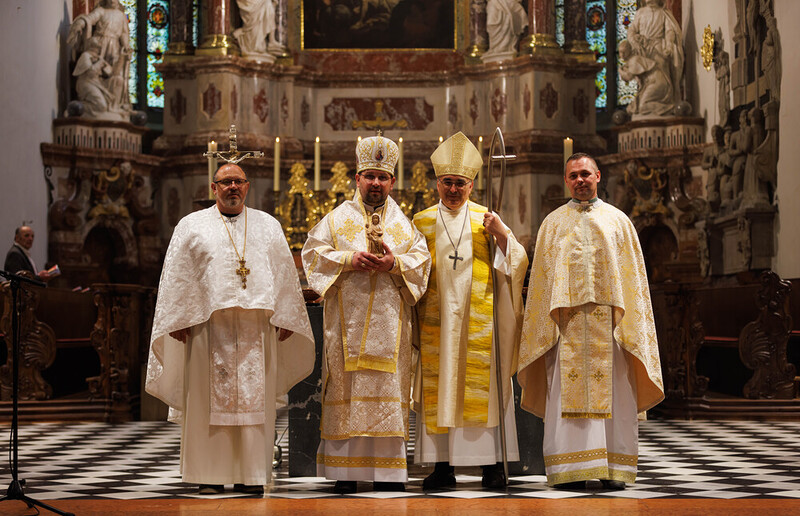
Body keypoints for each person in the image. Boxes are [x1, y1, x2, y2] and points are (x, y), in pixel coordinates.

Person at [145, 163, 315, 495]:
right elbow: (177, 275)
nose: (232, 187)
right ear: (214, 188)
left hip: (257, 328)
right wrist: (177, 318)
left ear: (248, 187)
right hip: (207, 327)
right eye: (226, 182)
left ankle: (250, 476)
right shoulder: (191, 226)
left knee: (255, 403)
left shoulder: (267, 225)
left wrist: (287, 315)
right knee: (207, 403)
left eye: (238, 181)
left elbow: (283, 273)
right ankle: (209, 476)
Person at [517, 153, 664, 490]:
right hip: (565, 327)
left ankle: (612, 468)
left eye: (585, 173)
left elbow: (634, 283)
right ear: (566, 180)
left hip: (610, 327)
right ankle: (572, 469)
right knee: (563, 391)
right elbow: (541, 283)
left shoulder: (618, 222)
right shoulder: (552, 223)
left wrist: (631, 328)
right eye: (573, 175)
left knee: (615, 390)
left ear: (598, 176)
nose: (580, 180)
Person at [302, 134, 431, 494]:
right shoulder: (337, 219)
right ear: (357, 179)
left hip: (391, 329)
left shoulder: (405, 226)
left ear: (392, 181)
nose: (376, 183)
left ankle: (386, 474)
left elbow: (422, 263)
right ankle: (345, 472)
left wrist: (394, 264)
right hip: (346, 326)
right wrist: (347, 258)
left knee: (388, 392)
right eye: (369, 176)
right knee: (345, 391)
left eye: (382, 177)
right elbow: (311, 254)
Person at [411, 132, 528, 489]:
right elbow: (413, 269)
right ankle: (441, 466)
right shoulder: (421, 221)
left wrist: (503, 235)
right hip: (437, 321)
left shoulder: (486, 219)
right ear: (437, 184)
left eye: (460, 183)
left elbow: (517, 261)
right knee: (441, 387)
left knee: (484, 389)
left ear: (472, 184)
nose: (453, 189)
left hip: (481, 321)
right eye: (447, 182)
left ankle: (491, 464)